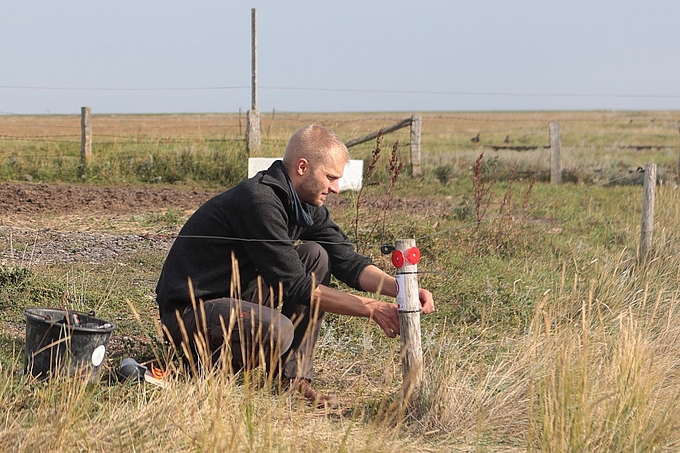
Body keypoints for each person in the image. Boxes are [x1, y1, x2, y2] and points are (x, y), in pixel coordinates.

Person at [155, 124, 435, 407]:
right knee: (278, 331)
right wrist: (372, 308)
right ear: (302, 166)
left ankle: (293, 379)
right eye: (330, 177)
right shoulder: (260, 201)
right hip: (190, 312)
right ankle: (191, 371)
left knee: (316, 255)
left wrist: (403, 290)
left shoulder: (302, 202)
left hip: (235, 298)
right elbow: (299, 287)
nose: (336, 188)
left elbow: (347, 260)